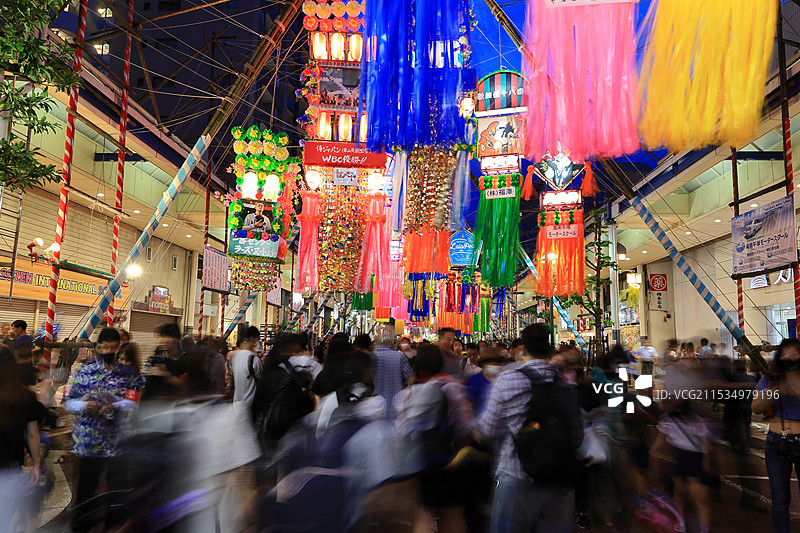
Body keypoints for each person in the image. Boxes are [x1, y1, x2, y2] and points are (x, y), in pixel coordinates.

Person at [477, 324, 581, 533]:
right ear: (550, 350)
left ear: (523, 349)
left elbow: (487, 429)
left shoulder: (508, 379)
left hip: (515, 474)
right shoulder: (564, 381)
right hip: (559, 476)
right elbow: (577, 434)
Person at [65, 327, 139, 533]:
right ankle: (81, 527)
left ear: (119, 347)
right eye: (104, 348)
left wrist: (115, 405)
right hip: (89, 444)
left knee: (117, 492)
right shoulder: (85, 371)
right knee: (86, 490)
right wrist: (85, 406)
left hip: (118, 444)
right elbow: (69, 403)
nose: (108, 352)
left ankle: (113, 527)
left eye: (112, 348)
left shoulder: (129, 373)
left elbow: (134, 403)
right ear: (98, 347)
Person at [394, 344, 475, 533]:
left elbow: (400, 429)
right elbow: (465, 424)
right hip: (449, 459)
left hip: (417, 461)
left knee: (423, 513)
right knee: (452, 512)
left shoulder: (405, 394)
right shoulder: (451, 387)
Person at [752, 338, 800, 533]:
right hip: (776, 442)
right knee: (780, 497)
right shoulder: (771, 378)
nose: (789, 357)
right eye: (785, 353)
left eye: (794, 354)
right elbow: (756, 407)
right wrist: (773, 392)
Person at [0, 348, 44, 532]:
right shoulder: (25, 396)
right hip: (11, 465)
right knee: (4, 515)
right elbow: (33, 434)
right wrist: (36, 465)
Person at [651, 401, 712, 533]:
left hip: (692, 456)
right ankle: (682, 522)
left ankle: (700, 528)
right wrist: (655, 448)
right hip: (680, 455)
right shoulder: (668, 418)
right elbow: (661, 436)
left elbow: (703, 442)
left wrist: (706, 460)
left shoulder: (694, 419)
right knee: (681, 493)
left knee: (696, 496)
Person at [370, 325, 413, 419]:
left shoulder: (370, 357)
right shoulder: (400, 356)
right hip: (396, 408)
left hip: (374, 410)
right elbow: (411, 379)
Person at [465, 348, 507, 415]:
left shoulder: (505, 379)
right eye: (491, 362)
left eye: (498, 362)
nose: (495, 364)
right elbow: (469, 405)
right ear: (484, 364)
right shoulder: (476, 379)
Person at [230, 326, 262, 409]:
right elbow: (260, 378)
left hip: (236, 404)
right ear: (252, 339)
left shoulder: (235, 356)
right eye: (257, 339)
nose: (258, 342)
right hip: (250, 405)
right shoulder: (254, 359)